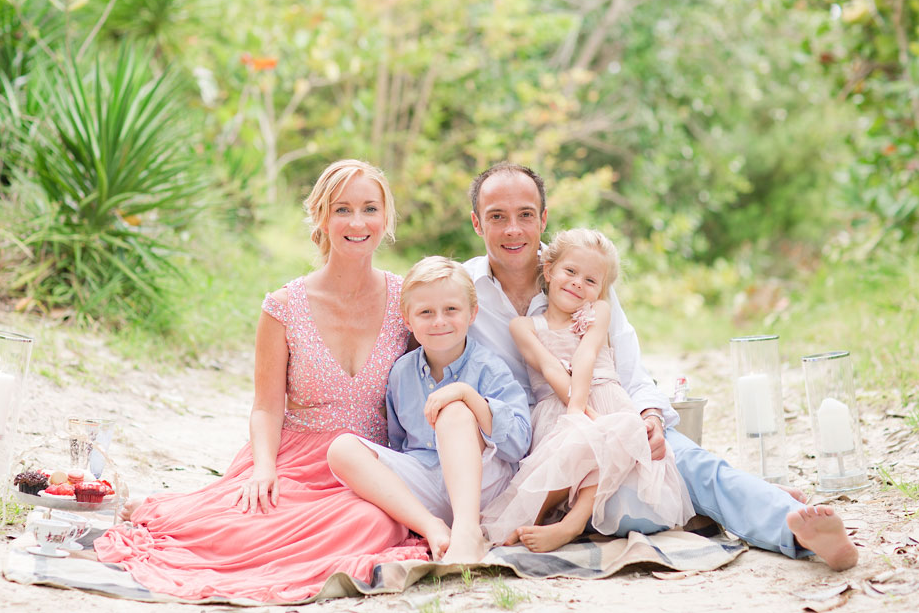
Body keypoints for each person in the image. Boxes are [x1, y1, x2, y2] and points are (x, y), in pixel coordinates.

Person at [465, 162, 858, 571]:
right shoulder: (461, 292)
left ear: (543, 218)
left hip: (611, 415)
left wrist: (650, 415)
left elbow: (630, 370)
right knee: (630, 504)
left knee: (687, 462)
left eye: (525, 214)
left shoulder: (583, 272)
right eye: (497, 217)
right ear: (477, 223)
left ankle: (793, 528)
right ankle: (748, 497)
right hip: (542, 447)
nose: (514, 229)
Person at [92, 160, 430, 602]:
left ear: (386, 219)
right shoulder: (283, 307)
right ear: (321, 217)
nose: (357, 222)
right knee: (253, 517)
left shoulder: (406, 302)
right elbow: (267, 407)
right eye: (342, 209)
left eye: (370, 209)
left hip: (370, 465)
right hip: (295, 458)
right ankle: (175, 515)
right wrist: (264, 468)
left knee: (376, 522)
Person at [482, 229, 694, 552]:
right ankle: (529, 519)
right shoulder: (524, 326)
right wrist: (578, 415)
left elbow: (586, 355)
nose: (578, 283)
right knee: (575, 447)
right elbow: (550, 366)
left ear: (600, 291)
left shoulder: (600, 313)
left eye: (591, 280)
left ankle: (572, 523)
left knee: (613, 433)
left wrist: (587, 414)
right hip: (560, 407)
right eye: (570, 272)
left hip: (604, 402)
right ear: (550, 270)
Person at [328, 256, 531, 564]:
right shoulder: (401, 373)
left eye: (451, 310)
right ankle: (430, 526)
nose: (439, 321)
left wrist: (468, 397)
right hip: (425, 482)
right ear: (408, 320)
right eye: (426, 312)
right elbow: (399, 443)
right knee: (341, 448)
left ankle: (467, 531)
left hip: (481, 486)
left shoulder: (489, 369)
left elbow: (518, 445)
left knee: (455, 412)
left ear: (472, 313)